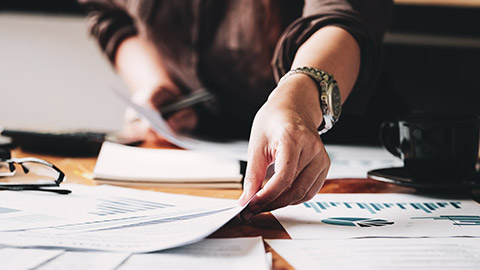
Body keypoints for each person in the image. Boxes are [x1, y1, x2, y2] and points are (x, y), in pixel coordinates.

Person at [79, 0, 392, 219]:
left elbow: (343, 16)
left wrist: (298, 100)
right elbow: (111, 14)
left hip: (329, 148)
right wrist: (158, 86)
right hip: (195, 148)